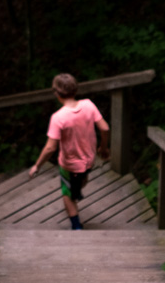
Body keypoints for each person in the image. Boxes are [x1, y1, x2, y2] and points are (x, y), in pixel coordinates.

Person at [28, 73, 110, 230]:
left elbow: (50, 147)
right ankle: (77, 190)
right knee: (82, 177)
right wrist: (104, 147)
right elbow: (105, 128)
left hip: (69, 165)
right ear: (75, 90)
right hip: (89, 159)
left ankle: (76, 227)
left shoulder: (58, 117)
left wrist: (37, 166)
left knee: (67, 195)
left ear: (57, 94)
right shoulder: (88, 105)